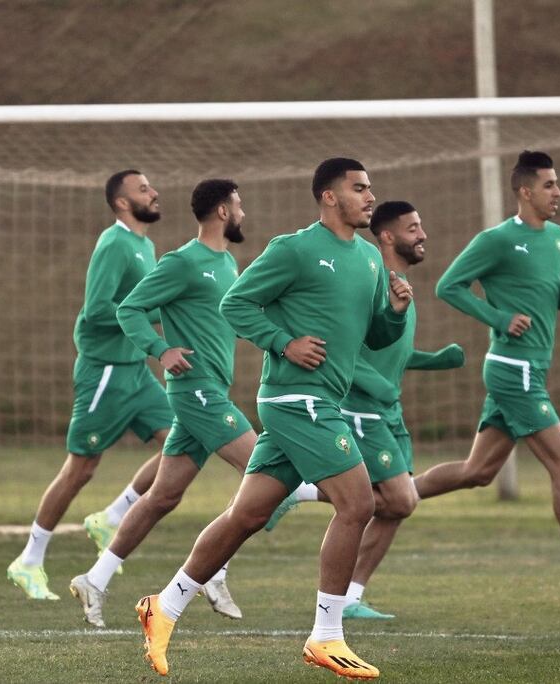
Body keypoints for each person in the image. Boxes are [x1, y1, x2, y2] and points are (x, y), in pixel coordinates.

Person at [135, 158, 413, 679]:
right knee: (358, 503)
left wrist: (394, 313)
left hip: (319, 402)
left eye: (370, 188)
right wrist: (283, 342)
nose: (369, 197)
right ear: (329, 197)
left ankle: (163, 606)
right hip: (295, 399)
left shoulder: (372, 260)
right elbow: (235, 303)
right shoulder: (295, 248)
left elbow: (374, 337)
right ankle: (327, 636)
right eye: (359, 188)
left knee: (247, 516)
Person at [67, 179, 258, 627]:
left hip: (213, 389)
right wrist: (160, 350)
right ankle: (214, 571)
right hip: (196, 390)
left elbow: (217, 319)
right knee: (266, 472)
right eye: (239, 204)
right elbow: (127, 309)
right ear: (223, 212)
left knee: (161, 497)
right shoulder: (183, 261)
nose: (244, 212)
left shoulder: (227, 262)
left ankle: (94, 579)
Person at [263, 200, 466, 619]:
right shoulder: (368, 278)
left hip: (389, 410)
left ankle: (352, 596)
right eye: (413, 228)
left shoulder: (397, 288)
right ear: (388, 236)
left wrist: (433, 360)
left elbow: (385, 353)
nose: (423, 235)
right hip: (362, 410)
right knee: (398, 500)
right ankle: (299, 490)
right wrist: (379, 387)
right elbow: (346, 354)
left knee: (396, 506)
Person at [413, 150, 560, 585]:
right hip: (512, 368)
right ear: (525, 191)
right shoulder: (496, 239)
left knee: (477, 473)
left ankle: (389, 494)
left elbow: (554, 296)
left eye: (557, 184)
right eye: (549, 185)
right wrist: (499, 318)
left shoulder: (558, 238)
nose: (558, 192)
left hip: (530, 368)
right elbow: (448, 286)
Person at [8, 170, 173, 600]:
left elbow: (136, 308)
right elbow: (98, 310)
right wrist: (156, 314)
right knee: (81, 468)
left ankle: (113, 515)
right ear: (121, 203)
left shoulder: (144, 244)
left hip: (136, 369)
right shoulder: (114, 243)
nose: (153, 193)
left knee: (183, 441)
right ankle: (29, 560)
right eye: (142, 189)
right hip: (104, 372)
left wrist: (172, 313)